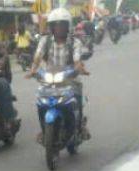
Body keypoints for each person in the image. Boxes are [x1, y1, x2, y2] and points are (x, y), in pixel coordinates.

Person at [27, 7, 91, 142]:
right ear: (51, 27)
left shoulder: (75, 42)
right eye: (55, 25)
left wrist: (79, 68)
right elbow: (37, 56)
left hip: (69, 78)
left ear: (67, 26)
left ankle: (79, 127)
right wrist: (33, 69)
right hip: (49, 79)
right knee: (40, 102)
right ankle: (45, 131)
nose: (59, 28)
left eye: (62, 25)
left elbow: (77, 59)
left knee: (77, 95)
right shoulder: (45, 40)